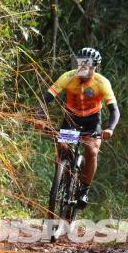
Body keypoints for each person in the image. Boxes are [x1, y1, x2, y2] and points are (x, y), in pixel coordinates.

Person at [36, 47, 120, 208]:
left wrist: (110, 128)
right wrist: (39, 118)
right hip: (71, 118)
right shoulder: (67, 77)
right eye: (81, 64)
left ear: (95, 67)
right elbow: (46, 99)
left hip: (92, 120)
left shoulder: (102, 83)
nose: (83, 68)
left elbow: (114, 110)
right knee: (62, 146)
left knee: (92, 151)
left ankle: (84, 189)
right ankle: (62, 177)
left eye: (88, 65)